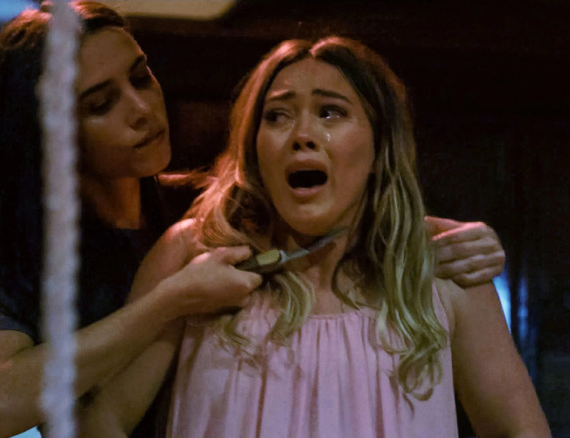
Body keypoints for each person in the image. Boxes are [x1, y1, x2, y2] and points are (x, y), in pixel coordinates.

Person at [0, 2, 507, 437]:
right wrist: (169, 300)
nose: (141, 110)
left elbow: (335, 208)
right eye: (100, 104)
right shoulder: (33, 252)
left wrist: (445, 235)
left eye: (140, 77)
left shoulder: (210, 212)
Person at [77, 36, 550, 437]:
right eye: (277, 116)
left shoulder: (444, 270)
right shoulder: (195, 255)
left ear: (379, 147)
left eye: (330, 113)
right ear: (254, 149)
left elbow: (519, 430)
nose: (302, 134)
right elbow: (103, 419)